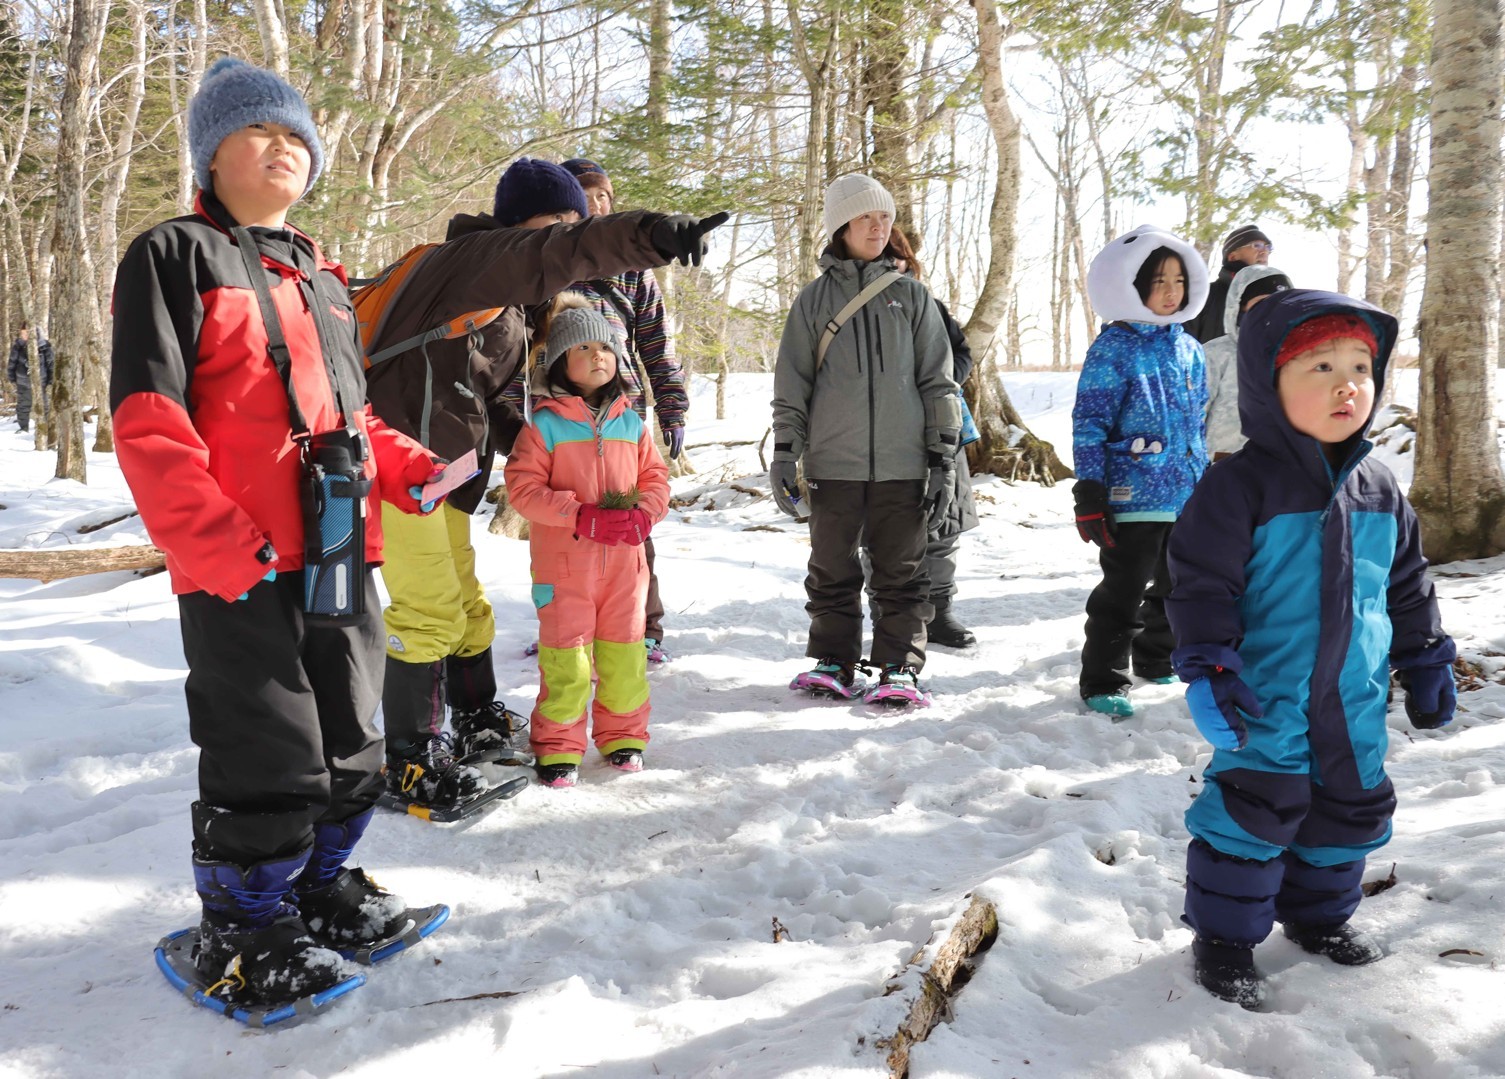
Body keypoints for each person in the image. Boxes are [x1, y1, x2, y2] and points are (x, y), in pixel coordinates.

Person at [109, 58, 447, 1006]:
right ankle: (243, 928)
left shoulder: (321, 276)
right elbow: (146, 417)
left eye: (297, 135)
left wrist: (413, 468)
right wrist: (209, 539)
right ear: (210, 155)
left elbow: (351, 417)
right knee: (268, 752)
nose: (283, 148)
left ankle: (317, 890)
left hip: (338, 549)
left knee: (352, 741)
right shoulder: (173, 254)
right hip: (239, 560)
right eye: (258, 131)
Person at [362, 156, 725, 812]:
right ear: (519, 223)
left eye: (572, 220)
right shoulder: (477, 261)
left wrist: (551, 438)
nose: (566, 231)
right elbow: (563, 251)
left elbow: (492, 400)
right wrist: (648, 234)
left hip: (441, 471)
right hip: (398, 464)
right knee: (429, 611)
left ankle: (474, 718)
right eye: (556, 219)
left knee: (465, 602)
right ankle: (410, 759)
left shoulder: (512, 304)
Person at [1166, 290, 1456, 1009]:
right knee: (1253, 811)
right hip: (1266, 693)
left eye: (1359, 366)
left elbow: (1406, 584)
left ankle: (1320, 918)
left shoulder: (1379, 487)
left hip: (1354, 699)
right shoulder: (1239, 485)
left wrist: (1425, 657)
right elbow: (1200, 584)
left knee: (1350, 808)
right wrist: (1209, 666)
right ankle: (1225, 941)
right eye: (1320, 366)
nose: (1346, 384)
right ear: (1269, 384)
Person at [771, 174, 961, 705]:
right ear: (841, 228)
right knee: (831, 570)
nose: (878, 227)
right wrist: (786, 452)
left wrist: (943, 458)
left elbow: (938, 381)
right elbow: (792, 383)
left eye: (884, 218)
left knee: (903, 573)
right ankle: (834, 660)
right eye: (865, 218)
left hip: (904, 464)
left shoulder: (913, 297)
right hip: (833, 462)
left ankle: (899, 666)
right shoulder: (813, 301)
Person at [501, 156, 690, 664]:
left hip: (621, 414)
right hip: (558, 416)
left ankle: (643, 627)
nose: (598, 205)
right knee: (564, 529)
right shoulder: (545, 266)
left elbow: (657, 345)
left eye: (605, 195)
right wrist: (511, 416)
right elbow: (516, 348)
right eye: (587, 197)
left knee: (631, 526)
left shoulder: (633, 271)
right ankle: (566, 625)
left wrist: (672, 406)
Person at [502, 297, 670, 787]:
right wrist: (578, 514)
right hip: (564, 568)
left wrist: (644, 513)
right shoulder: (543, 426)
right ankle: (558, 744)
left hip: (625, 567)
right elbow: (523, 489)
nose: (598, 355)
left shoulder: (631, 423)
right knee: (567, 659)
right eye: (583, 348)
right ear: (559, 362)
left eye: (606, 347)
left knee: (625, 656)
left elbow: (656, 479)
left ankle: (624, 737)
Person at [1071, 225, 1209, 718]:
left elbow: (1199, 419)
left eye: (1178, 281)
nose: (1171, 292)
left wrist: (1205, 478)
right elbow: (1090, 421)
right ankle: (1103, 676)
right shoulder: (1114, 347)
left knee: (1176, 584)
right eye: (1158, 282)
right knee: (1124, 589)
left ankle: (1156, 656)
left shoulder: (1190, 348)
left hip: (1185, 493)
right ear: (1132, 286)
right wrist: (1090, 490)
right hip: (1132, 494)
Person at [861, 224, 979, 649]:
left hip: (940, 425)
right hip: (877, 432)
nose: (891, 264)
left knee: (942, 524)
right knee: (879, 529)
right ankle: (885, 613)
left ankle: (939, 612)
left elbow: (961, 354)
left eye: (897, 257)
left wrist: (937, 382)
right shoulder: (850, 307)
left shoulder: (928, 303)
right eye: (883, 257)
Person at [1202, 265, 1291, 459]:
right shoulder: (1216, 353)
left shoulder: (1295, 358)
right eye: (1262, 302)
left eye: (1280, 302)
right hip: (1221, 463)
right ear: (1239, 306)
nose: (1271, 310)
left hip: (1275, 466)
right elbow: (1193, 416)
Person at [1186, 225, 1273, 344]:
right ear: (1232, 257)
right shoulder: (1203, 296)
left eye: (1268, 247)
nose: (1265, 251)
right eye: (1257, 245)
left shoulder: (1271, 302)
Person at [7, 323, 53, 433]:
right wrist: (11, 378)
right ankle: (23, 427)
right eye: (22, 333)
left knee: (44, 405)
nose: (24, 336)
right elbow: (12, 363)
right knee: (23, 405)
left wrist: (51, 381)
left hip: (41, 381)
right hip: (23, 381)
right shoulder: (18, 347)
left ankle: (45, 426)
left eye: (26, 333)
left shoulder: (44, 347)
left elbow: (51, 365)